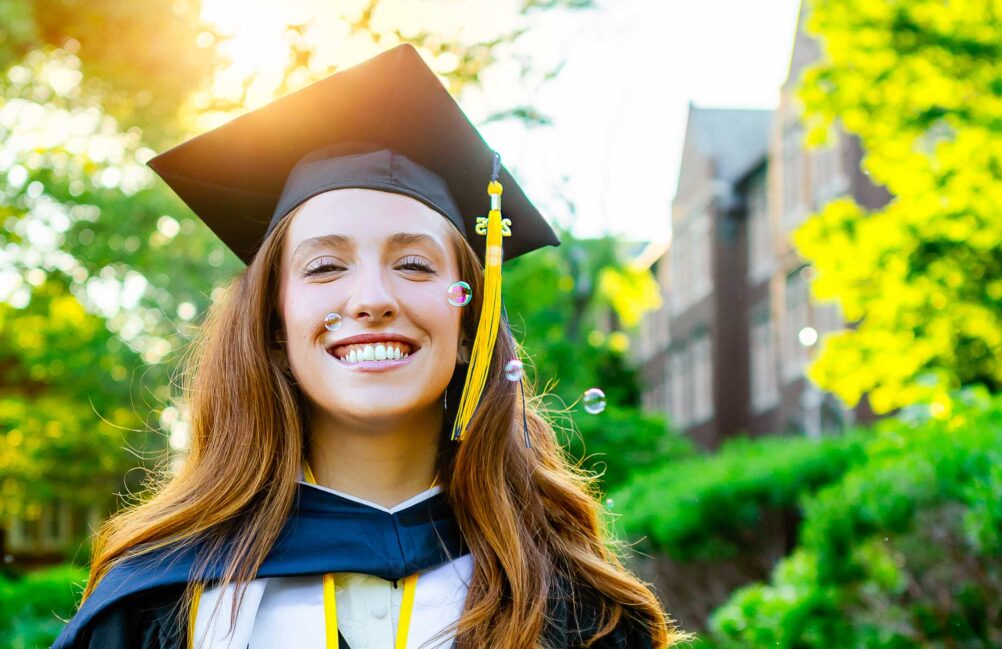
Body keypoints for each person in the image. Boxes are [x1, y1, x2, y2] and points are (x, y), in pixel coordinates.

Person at [52, 44, 691, 649]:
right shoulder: (156, 603)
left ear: (470, 323)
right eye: (325, 267)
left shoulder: (578, 610)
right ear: (273, 327)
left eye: (414, 265)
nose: (371, 298)